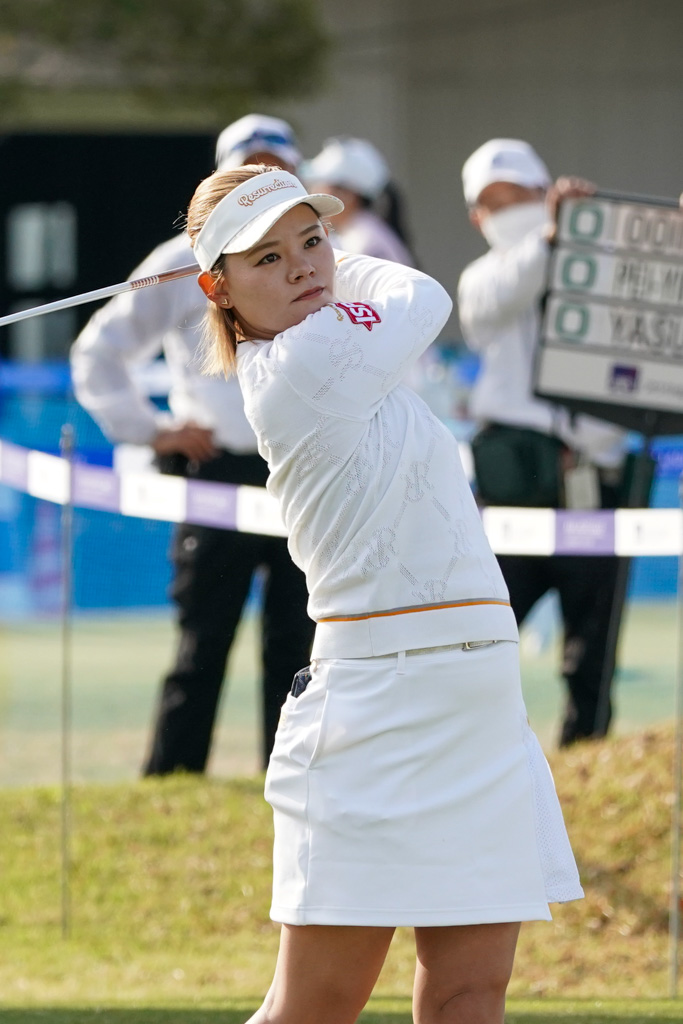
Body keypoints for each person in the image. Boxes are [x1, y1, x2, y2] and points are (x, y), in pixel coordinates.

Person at [184, 164, 583, 1023]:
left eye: (312, 241)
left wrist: (296, 256)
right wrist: (333, 258)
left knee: (470, 992)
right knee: (315, 1006)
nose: (302, 267)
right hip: (375, 703)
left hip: (476, 700)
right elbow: (421, 295)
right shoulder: (301, 363)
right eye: (266, 258)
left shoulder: (343, 352)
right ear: (216, 287)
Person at [70, 115, 316, 775]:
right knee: (202, 641)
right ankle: (173, 779)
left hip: (302, 472)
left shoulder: (320, 254)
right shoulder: (181, 261)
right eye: (247, 169)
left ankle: (291, 780)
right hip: (218, 473)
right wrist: (154, 429)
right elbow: (99, 351)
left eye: (275, 169)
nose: (262, 182)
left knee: (300, 646)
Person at [457, 138, 633, 747]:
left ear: (546, 190)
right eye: (495, 202)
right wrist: (554, 235)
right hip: (514, 480)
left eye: (523, 195)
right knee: (483, 634)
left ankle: (587, 760)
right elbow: (497, 299)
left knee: (593, 646)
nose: (511, 210)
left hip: (595, 475)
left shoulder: (606, 261)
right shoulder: (481, 277)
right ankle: (475, 759)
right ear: (477, 217)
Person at [302, 136, 416, 265]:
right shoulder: (362, 232)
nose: (312, 192)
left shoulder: (362, 241)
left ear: (346, 195)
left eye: (318, 184)